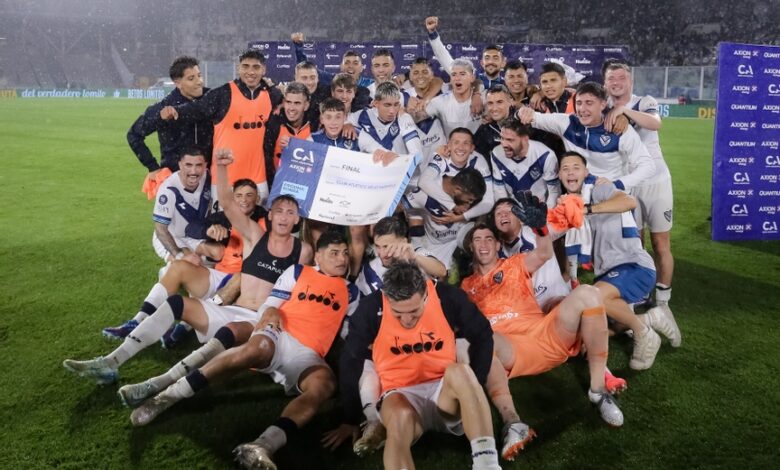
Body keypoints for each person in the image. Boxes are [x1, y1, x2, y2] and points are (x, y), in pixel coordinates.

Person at [63, 150, 312, 385]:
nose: (283, 216)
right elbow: (220, 209)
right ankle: (114, 358)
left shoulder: (292, 244)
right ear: (271, 215)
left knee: (217, 343)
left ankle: (165, 377)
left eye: (289, 213)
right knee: (177, 284)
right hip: (226, 288)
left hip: (250, 312)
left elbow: (298, 285)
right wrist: (221, 169)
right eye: (279, 211)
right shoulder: (248, 229)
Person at [130, 232, 357, 470]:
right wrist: (271, 311)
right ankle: (167, 397)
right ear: (318, 256)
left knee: (324, 384)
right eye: (334, 253)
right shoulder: (299, 272)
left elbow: (349, 331)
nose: (342, 259)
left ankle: (262, 445)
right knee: (255, 349)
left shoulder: (352, 292)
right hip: (279, 332)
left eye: (345, 253)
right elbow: (270, 304)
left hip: (307, 352)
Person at [461, 209, 624, 462]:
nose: (483, 244)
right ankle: (512, 423)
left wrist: (541, 230)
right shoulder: (466, 286)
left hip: (545, 333)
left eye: (489, 239)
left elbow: (545, 253)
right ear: (471, 247)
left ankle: (598, 389)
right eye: (477, 239)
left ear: (497, 245)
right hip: (510, 348)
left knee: (589, 293)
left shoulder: (515, 263)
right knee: (482, 340)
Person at [338, 262, 501, 470]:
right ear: (387, 298)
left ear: (425, 295)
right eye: (398, 313)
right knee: (399, 418)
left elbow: (483, 333)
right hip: (400, 395)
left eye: (414, 311)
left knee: (461, 371)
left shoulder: (446, 297)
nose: (407, 320)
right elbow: (351, 358)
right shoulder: (371, 308)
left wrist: (473, 388)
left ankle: (487, 465)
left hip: (444, 391)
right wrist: (350, 418)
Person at [101, 179, 265, 342]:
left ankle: (184, 327)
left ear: (257, 198)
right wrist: (207, 230)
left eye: (249, 195)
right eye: (239, 195)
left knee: (235, 280)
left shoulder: (266, 221)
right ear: (232, 199)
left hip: (245, 284)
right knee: (178, 266)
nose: (244, 200)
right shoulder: (222, 217)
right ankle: (138, 320)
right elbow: (190, 228)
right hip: (219, 275)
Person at [557, 152, 679, 369]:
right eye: (565, 168)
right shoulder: (569, 203)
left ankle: (644, 333)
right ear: (559, 175)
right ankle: (651, 319)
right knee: (594, 328)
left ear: (586, 172)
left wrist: (588, 210)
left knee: (593, 299)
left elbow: (629, 201)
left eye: (576, 167)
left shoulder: (599, 188)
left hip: (634, 266)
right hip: (608, 275)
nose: (570, 172)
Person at [603, 61, 678, 341]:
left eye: (621, 77)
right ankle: (638, 295)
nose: (616, 82)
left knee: (660, 243)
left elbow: (655, 123)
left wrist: (624, 110)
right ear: (605, 83)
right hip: (628, 184)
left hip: (656, 182)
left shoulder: (644, 101)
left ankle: (663, 302)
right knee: (635, 244)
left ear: (630, 81)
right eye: (611, 78)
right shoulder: (603, 107)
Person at [159, 49, 283, 204]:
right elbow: (197, 108)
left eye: (256, 67)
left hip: (258, 179)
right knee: (223, 220)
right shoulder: (222, 94)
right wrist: (175, 111)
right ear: (238, 68)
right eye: (246, 66)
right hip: (224, 180)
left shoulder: (272, 95)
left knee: (258, 220)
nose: (250, 72)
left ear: (263, 70)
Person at [516, 82, 655, 194]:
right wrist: (523, 112)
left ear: (603, 104)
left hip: (613, 198)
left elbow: (648, 166)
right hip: (580, 199)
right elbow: (533, 117)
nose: (582, 109)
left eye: (589, 103)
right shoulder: (567, 123)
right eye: (579, 103)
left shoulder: (620, 129)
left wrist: (617, 184)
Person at [127, 56, 213, 199]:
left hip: (210, 178)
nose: (199, 81)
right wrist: (152, 167)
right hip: (176, 181)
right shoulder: (164, 108)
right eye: (191, 78)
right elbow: (133, 135)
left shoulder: (212, 98)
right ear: (178, 83)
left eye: (199, 75)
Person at [489, 198, 570, 312]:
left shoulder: (535, 229)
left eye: (509, 211)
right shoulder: (494, 250)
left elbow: (568, 220)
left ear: (520, 217)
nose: (503, 214)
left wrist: (567, 203)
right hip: (527, 313)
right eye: (498, 213)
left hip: (557, 301)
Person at [403, 168, 487, 271]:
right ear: (457, 189)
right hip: (434, 243)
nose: (469, 204)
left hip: (462, 232)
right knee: (430, 274)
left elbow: (484, 208)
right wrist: (416, 241)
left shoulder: (466, 188)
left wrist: (460, 217)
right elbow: (409, 211)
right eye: (469, 200)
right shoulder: (424, 193)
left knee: (477, 239)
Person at [150, 146, 219, 264]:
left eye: (198, 165)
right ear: (180, 165)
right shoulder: (168, 190)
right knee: (190, 262)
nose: (193, 171)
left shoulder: (208, 177)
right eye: (188, 165)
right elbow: (160, 229)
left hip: (193, 235)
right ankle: (169, 271)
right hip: (170, 237)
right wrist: (179, 256)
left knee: (218, 252)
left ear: (205, 165)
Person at [419, 127, 494, 221]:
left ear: (472, 148)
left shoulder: (478, 160)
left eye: (466, 143)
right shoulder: (442, 157)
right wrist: (452, 206)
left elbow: (489, 201)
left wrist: (461, 217)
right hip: (441, 206)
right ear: (449, 145)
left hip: (469, 210)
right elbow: (423, 182)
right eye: (456, 142)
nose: (461, 147)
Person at [491, 118, 560, 209]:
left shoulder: (545, 155)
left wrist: (545, 215)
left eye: (510, 140)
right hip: (513, 211)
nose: (504, 144)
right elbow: (499, 190)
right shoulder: (496, 154)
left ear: (525, 139)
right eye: (502, 138)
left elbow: (554, 192)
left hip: (541, 209)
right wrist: (507, 212)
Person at [409, 57, 483, 137]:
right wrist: (410, 110)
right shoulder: (439, 101)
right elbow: (417, 118)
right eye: (454, 74)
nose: (457, 78)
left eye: (462, 74)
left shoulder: (483, 99)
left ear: (472, 78)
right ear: (450, 80)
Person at [425, 16, 505, 88]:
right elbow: (444, 58)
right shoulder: (471, 78)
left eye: (495, 58)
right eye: (487, 58)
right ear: (482, 63)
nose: (491, 62)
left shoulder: (508, 84)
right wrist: (432, 33)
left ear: (503, 63)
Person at [263, 82, 313, 187]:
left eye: (297, 103)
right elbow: (267, 160)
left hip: (306, 186)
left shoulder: (315, 126)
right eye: (288, 102)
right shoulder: (274, 124)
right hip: (279, 186)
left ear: (306, 105)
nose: (291, 108)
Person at [473, 84, 514, 160]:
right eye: (490, 103)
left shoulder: (523, 122)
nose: (494, 108)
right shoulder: (484, 130)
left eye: (499, 102)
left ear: (510, 101)